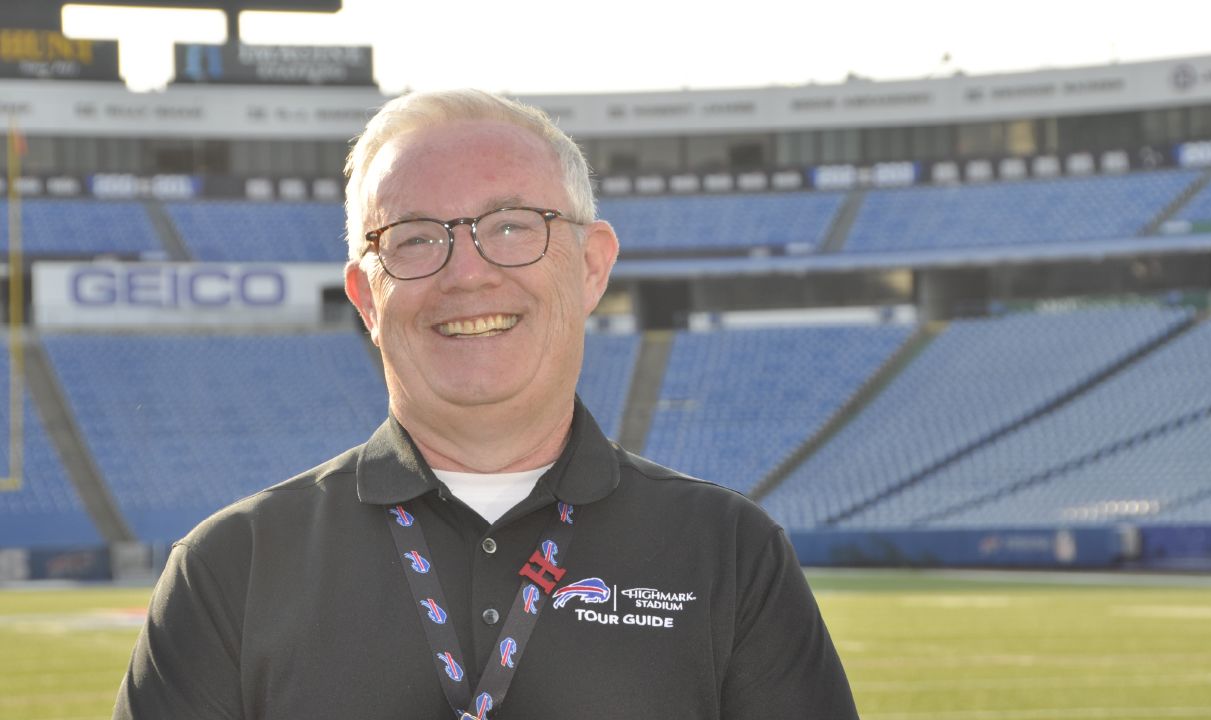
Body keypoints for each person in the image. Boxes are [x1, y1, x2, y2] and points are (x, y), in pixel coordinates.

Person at [114, 89, 858, 719]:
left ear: (592, 266)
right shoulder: (228, 568)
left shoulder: (729, 551)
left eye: (511, 227)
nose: (467, 274)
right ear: (366, 297)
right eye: (413, 239)